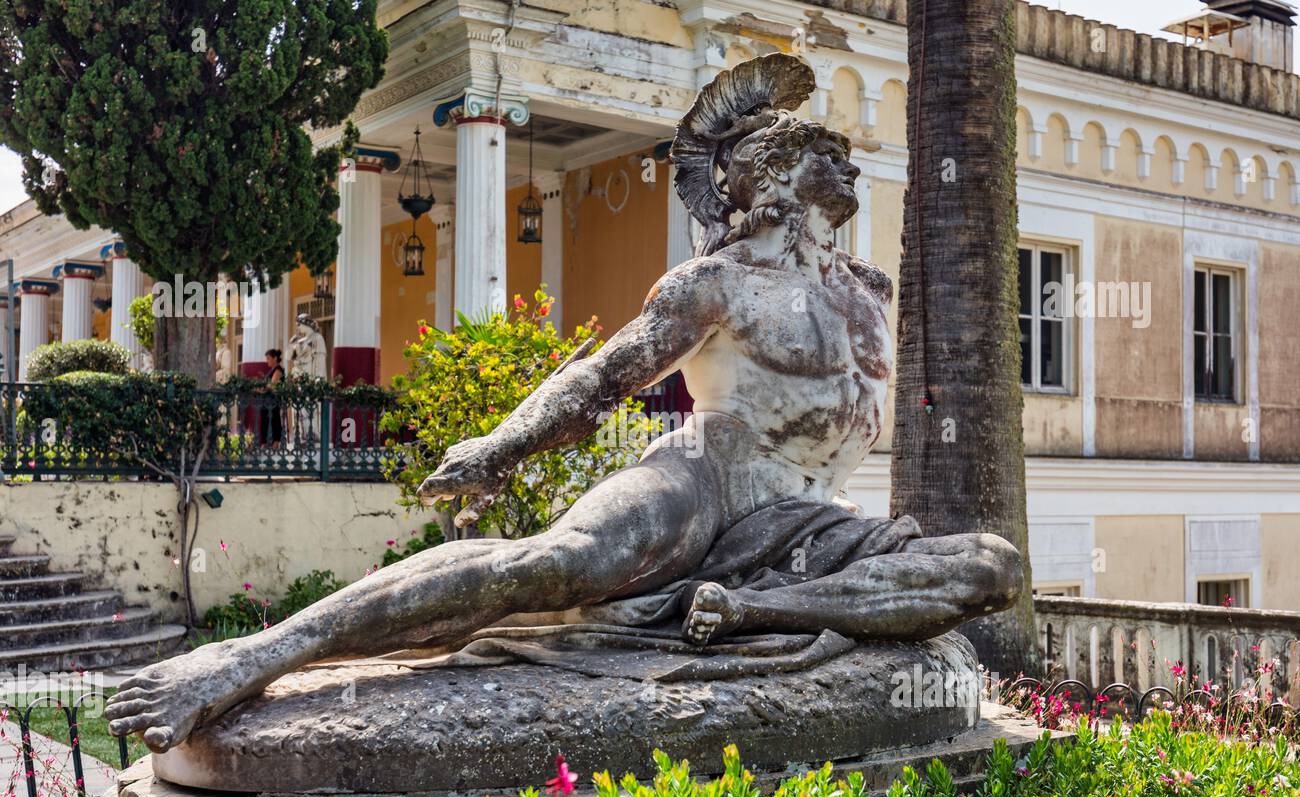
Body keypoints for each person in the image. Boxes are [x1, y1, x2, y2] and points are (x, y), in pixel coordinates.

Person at [106, 54, 1021, 753]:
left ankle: (760, 613)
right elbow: (599, 378)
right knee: (551, 567)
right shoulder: (716, 285)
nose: (850, 161)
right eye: (829, 152)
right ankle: (254, 655)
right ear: (773, 175)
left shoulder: (869, 288)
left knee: (987, 566)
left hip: (817, 524)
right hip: (707, 483)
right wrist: (502, 445)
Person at [258, 348, 285, 448]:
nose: (267, 361)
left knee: (275, 420)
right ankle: (265, 442)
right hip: (267, 400)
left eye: (268, 358)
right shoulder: (272, 370)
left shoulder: (278, 370)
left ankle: (276, 442)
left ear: (275, 358)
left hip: (274, 399)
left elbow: (272, 385)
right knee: (264, 420)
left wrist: (261, 389)